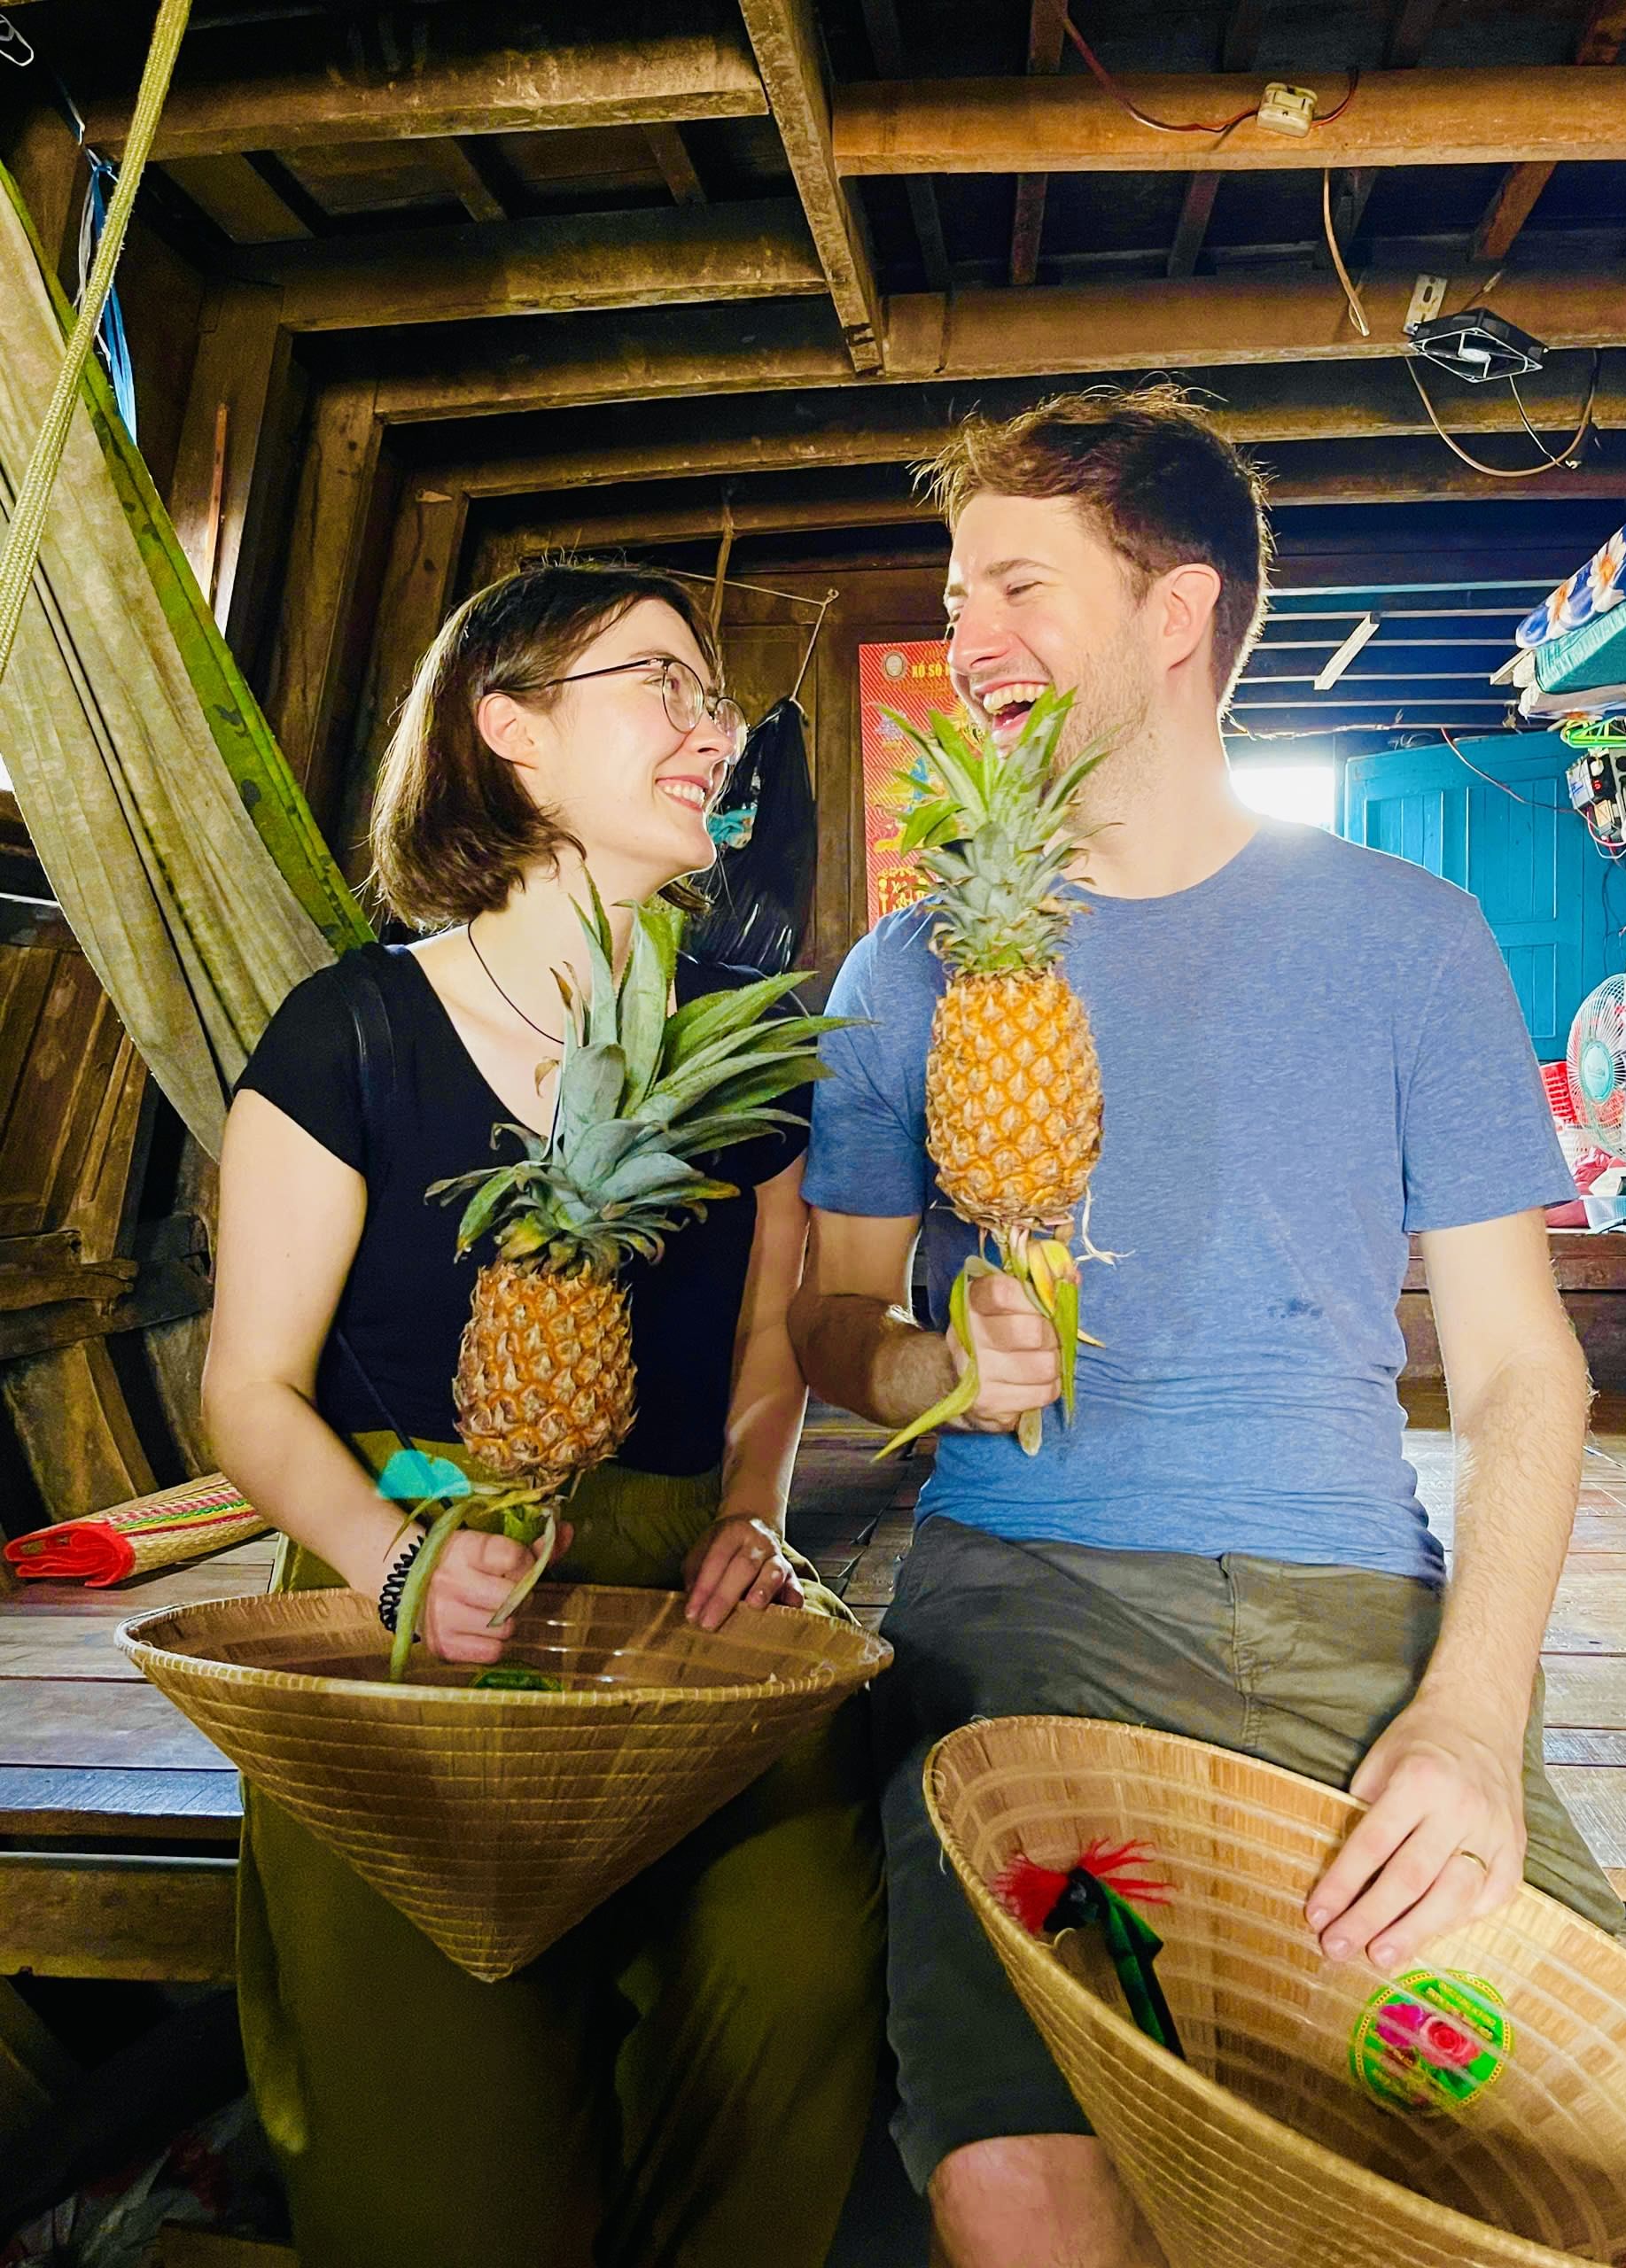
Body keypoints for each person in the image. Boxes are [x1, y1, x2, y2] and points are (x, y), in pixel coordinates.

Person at [789, 385, 1623, 2268]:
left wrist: (1474, 1717)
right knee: (1023, 2184)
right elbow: (833, 1314)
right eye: (954, 588)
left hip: (1357, 1622)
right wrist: (926, 1365)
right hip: (1023, 1599)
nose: (965, 636)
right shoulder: (912, 968)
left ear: (1177, 613)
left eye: (1015, 583)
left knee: (1576, 2165)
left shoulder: (1409, 936)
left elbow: (1519, 1367)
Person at [203, 561, 883, 2268]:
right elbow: (250, 1390)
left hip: (676, 1600)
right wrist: (390, 1560)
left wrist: (753, 1511)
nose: (712, 728)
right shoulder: (352, 1031)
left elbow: (764, 1354)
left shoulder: (740, 1062)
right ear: (508, 730)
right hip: (409, 1552)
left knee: (803, 1970)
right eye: (658, 681)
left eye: (712, 695)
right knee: (453, 2164)